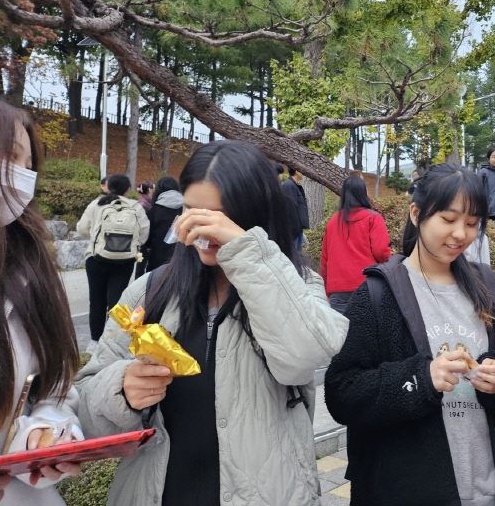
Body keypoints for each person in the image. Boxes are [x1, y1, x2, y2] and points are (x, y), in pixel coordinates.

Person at [75, 140, 349, 506]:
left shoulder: (297, 285)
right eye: (190, 211)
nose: (202, 230)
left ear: (255, 215)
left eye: (219, 217)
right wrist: (121, 390)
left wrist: (244, 251)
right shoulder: (150, 292)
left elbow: (303, 357)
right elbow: (84, 411)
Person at [325, 163, 495, 506]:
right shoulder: (377, 294)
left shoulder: (487, 288)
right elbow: (342, 393)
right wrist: (421, 377)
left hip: (489, 487)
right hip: (408, 489)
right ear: (417, 214)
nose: (461, 233)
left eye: (472, 223)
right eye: (448, 219)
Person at [0, 92, 82, 506]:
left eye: (28, 166)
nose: (20, 178)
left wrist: (42, 435)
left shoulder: (26, 273)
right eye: (9, 158)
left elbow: (51, 390)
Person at [77, 173, 150, 352]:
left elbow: (82, 230)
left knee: (96, 300)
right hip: (124, 261)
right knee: (117, 302)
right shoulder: (135, 206)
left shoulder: (96, 204)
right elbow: (144, 233)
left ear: (108, 187)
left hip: (96, 259)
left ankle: (94, 341)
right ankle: (114, 343)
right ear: (128, 189)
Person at [319, 176, 391, 314]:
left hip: (337, 288)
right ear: (363, 193)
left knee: (342, 332)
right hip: (366, 285)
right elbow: (381, 252)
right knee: (365, 332)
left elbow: (325, 260)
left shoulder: (333, 222)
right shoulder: (373, 218)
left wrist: (326, 286)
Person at [144, 176, 184, 273]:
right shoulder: (186, 209)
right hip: (182, 258)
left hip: (157, 259)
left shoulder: (154, 211)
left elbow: (146, 239)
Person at [282, 166, 309, 252]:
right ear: (297, 171)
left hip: (298, 229)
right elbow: (290, 209)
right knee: (294, 258)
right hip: (293, 231)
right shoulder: (289, 186)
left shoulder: (294, 185)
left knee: (298, 258)